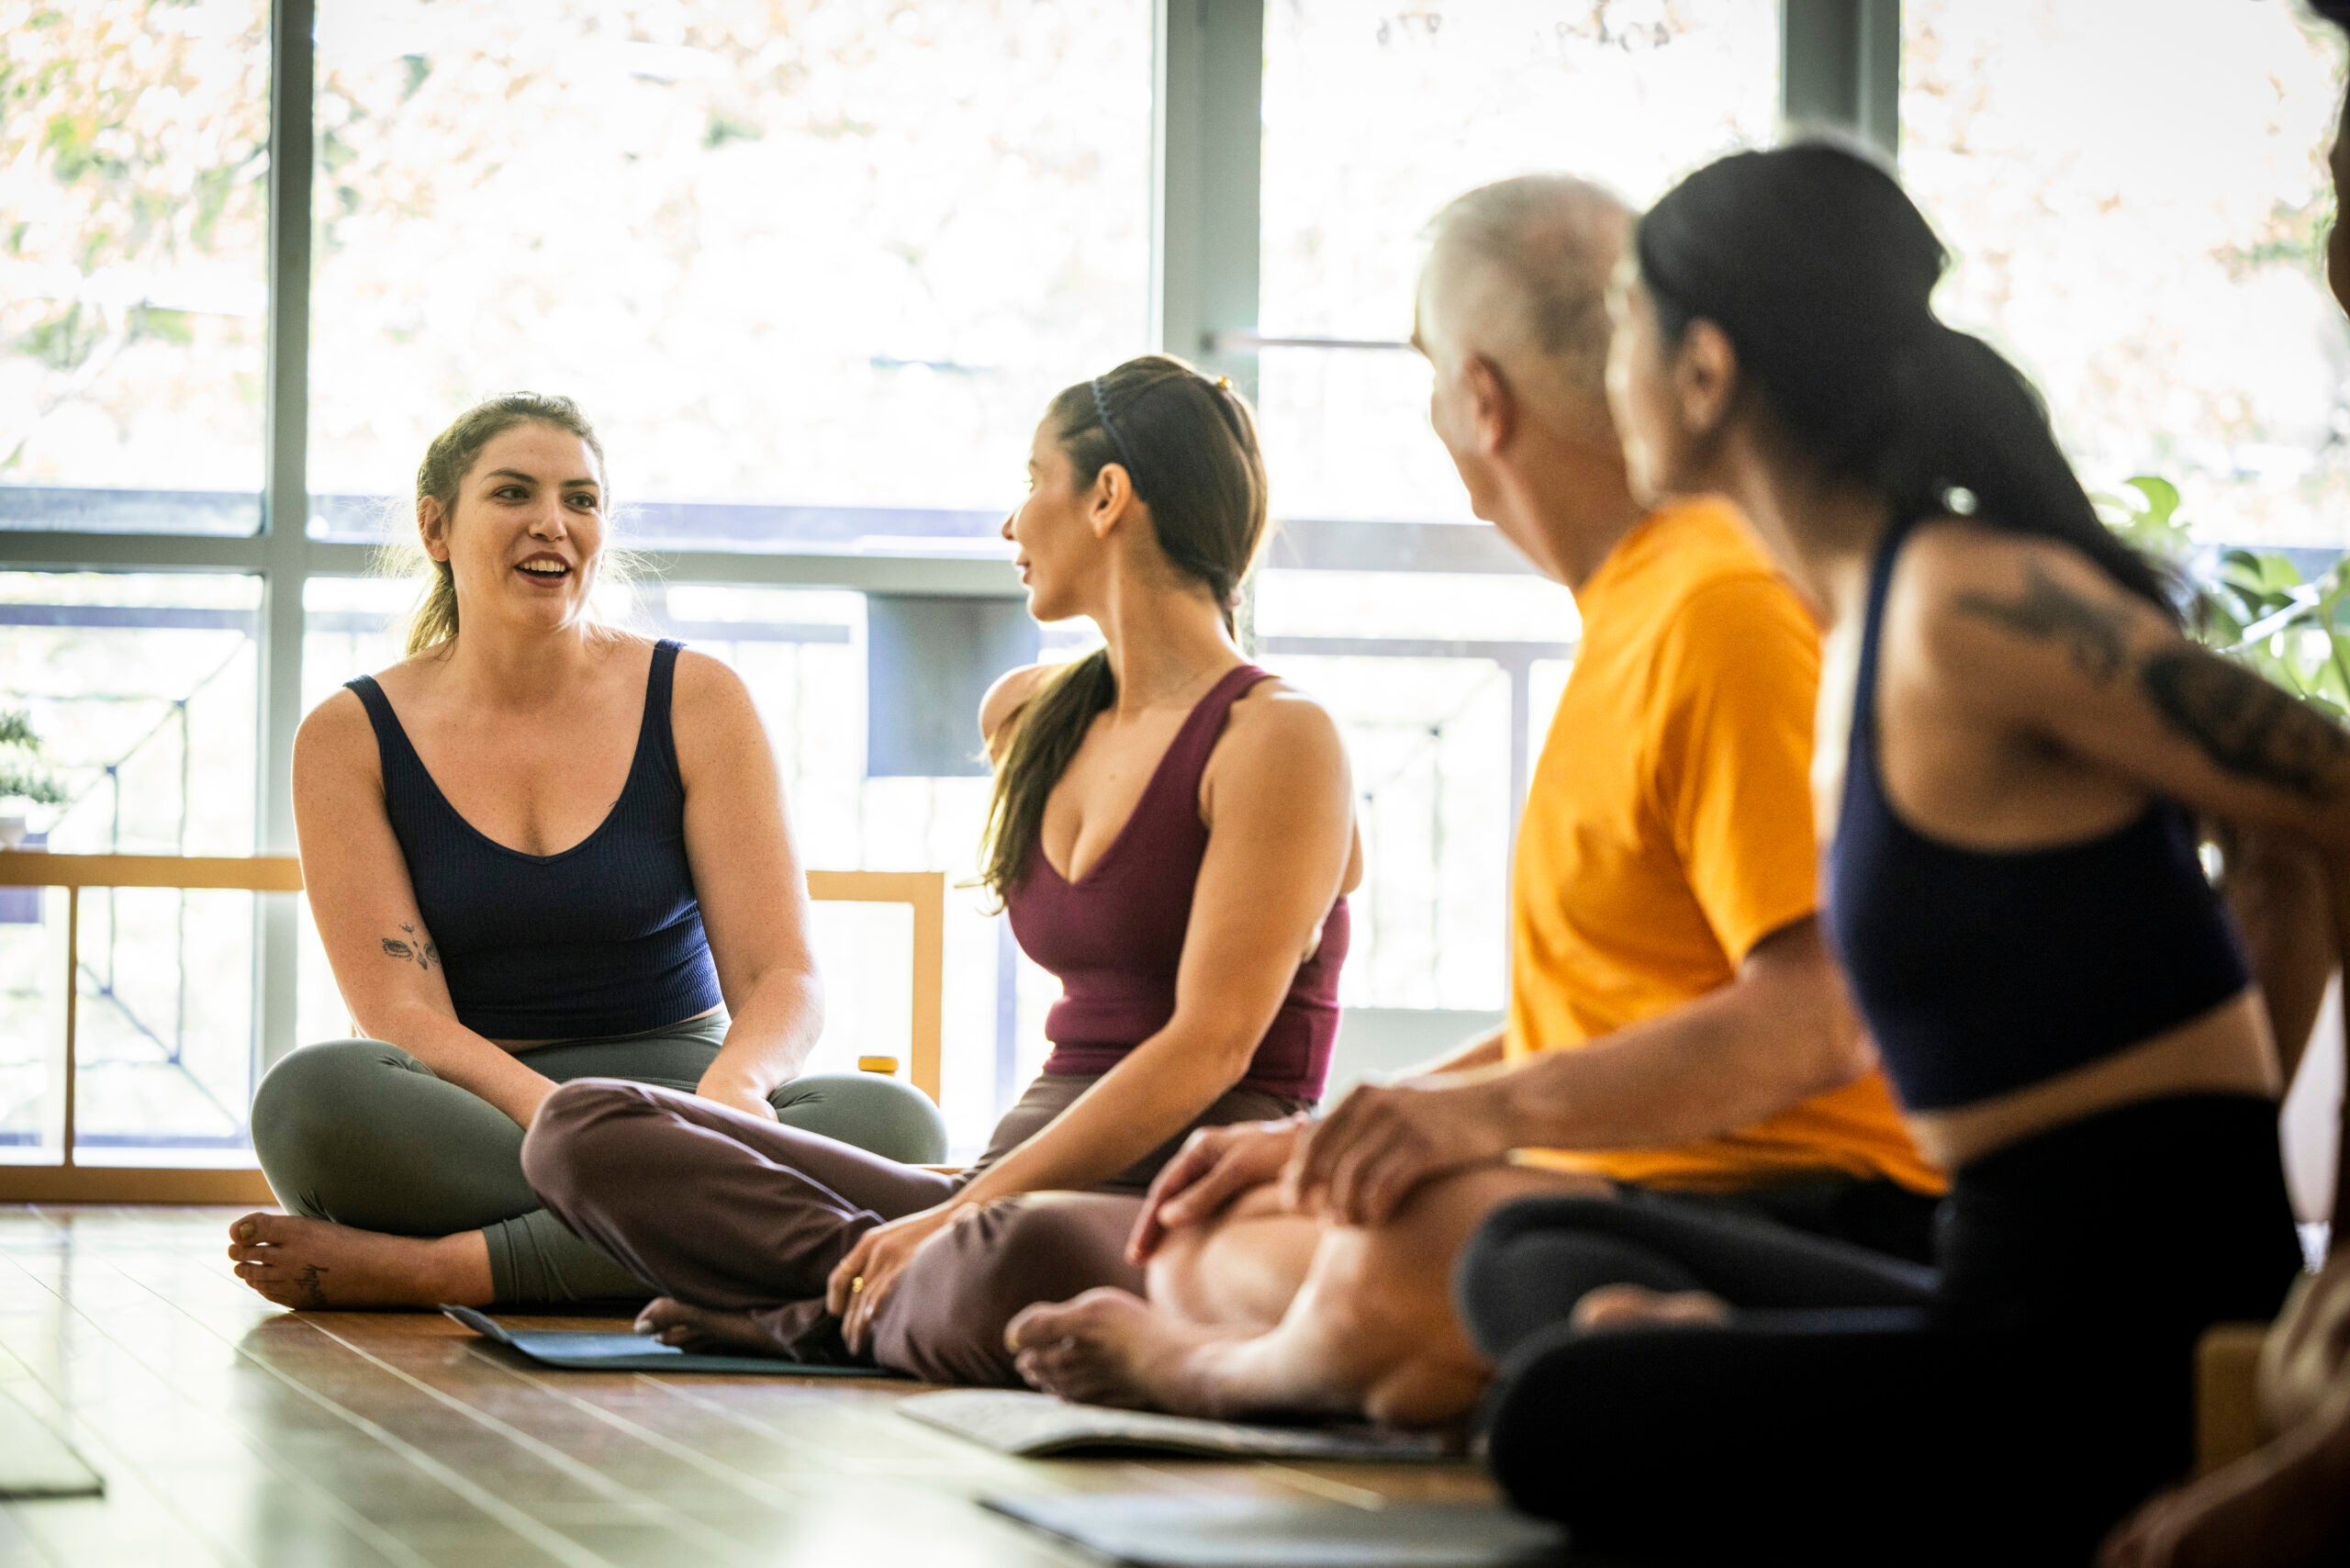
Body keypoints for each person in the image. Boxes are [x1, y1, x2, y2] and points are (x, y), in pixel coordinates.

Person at [1453, 140, 2321, 1566]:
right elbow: (2282, 853)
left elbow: (2325, 805)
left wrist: (2324, 1269)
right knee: (1518, 1252)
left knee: (1563, 1415)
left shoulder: (1964, 606)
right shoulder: (1859, 623)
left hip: (2114, 1328)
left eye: (1624, 333)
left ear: (1706, 372)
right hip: (1990, 1271)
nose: (1603, 379)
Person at [1004, 174, 1941, 1428]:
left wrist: (1464, 1126)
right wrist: (1347, 1131)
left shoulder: (1722, 611)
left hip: (1792, 1200)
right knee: (1207, 1228)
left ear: (1482, 402)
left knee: (1420, 1237)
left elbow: (1815, 1020)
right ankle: (1486, 1355)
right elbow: (1613, 1013)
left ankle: (1258, 1367)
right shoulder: (1634, 611)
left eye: (1430, 371)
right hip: (1605, 1190)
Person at [518, 355, 1363, 1383]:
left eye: (1031, 479)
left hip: (1174, 1213)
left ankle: (812, 1312)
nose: (1011, 525)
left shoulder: (1277, 737)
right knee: (583, 1125)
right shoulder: (1032, 716)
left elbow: (1208, 1048)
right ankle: (871, 1292)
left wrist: (963, 1212)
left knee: (1018, 1257)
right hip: (999, 1185)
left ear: (1105, 497)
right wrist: (960, 1200)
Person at [226, 393, 946, 1310]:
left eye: (582, 499)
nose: (552, 524)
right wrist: (572, 1125)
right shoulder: (348, 733)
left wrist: (733, 1093)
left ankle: (442, 1270)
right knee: (309, 1100)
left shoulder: (696, 697)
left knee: (895, 1125)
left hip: (685, 1100)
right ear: (436, 526)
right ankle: (715, 1241)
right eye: (514, 493)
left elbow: (782, 980)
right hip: (481, 1111)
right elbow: (402, 1015)